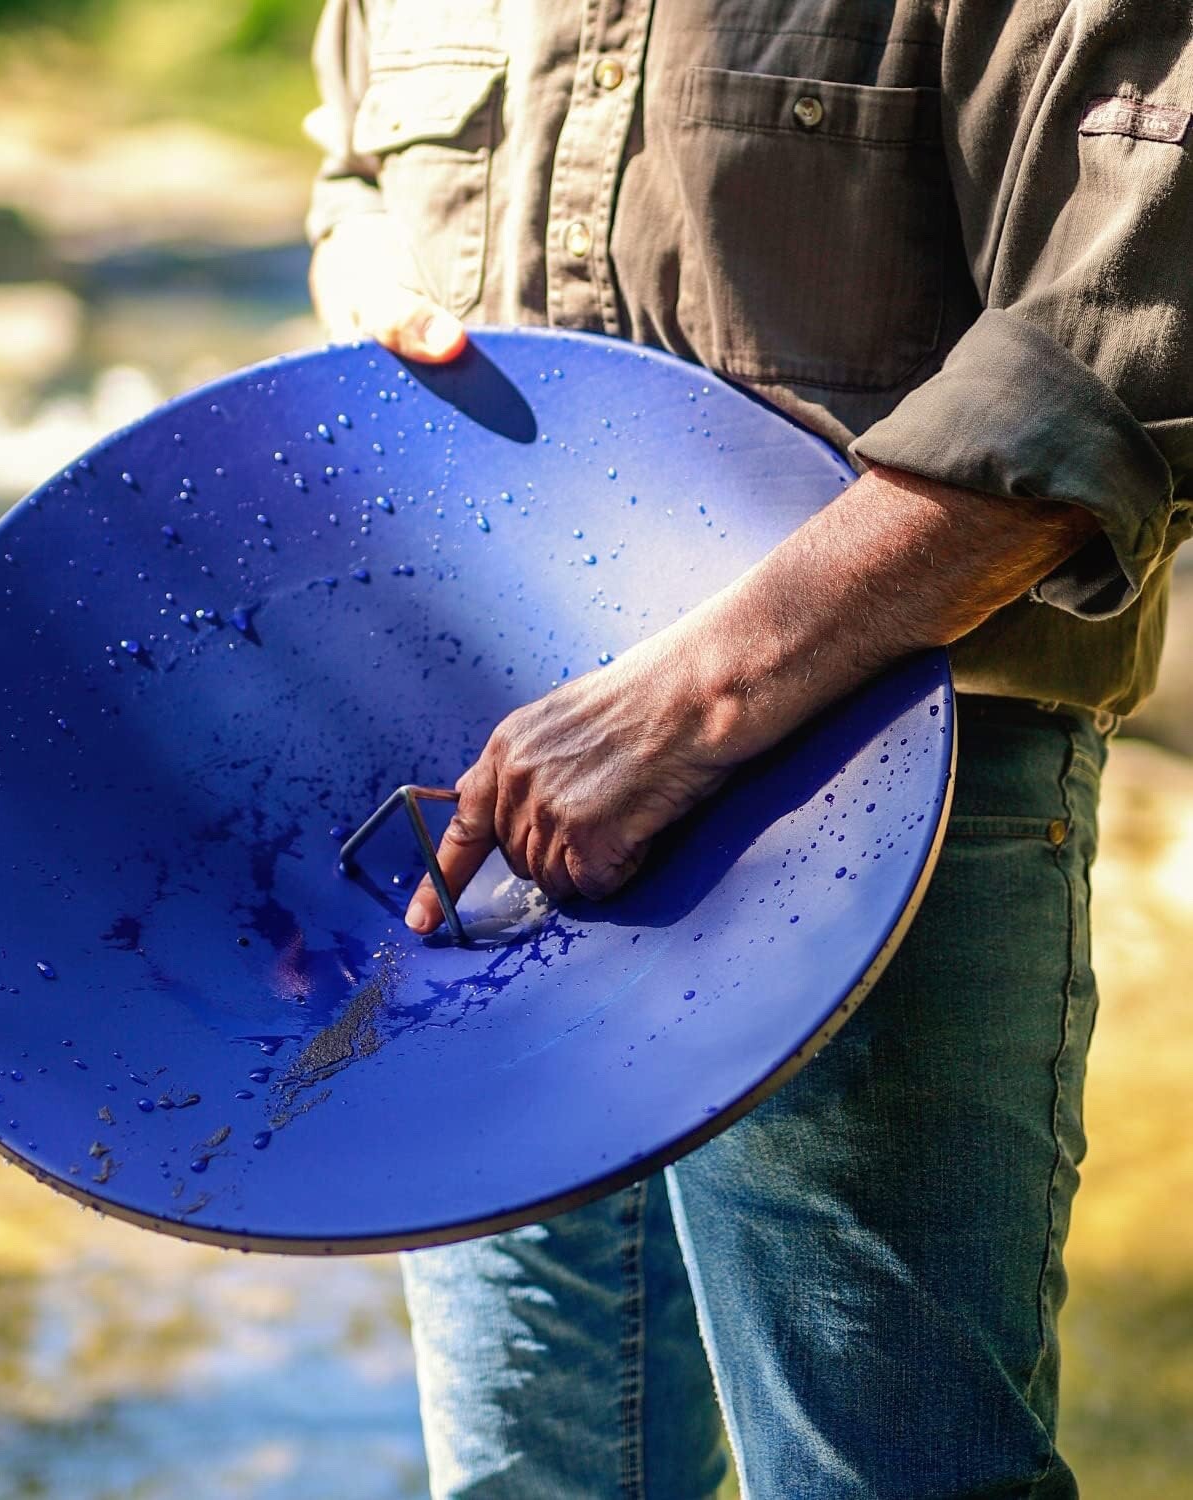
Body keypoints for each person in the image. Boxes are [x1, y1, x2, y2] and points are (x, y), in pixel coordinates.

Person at [303, 3, 1192, 1495]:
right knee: (532, 1474)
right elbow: (348, 175)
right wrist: (368, 281)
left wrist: (691, 705)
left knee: (884, 1475)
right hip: (486, 797)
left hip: (880, 797)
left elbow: (1131, 311)